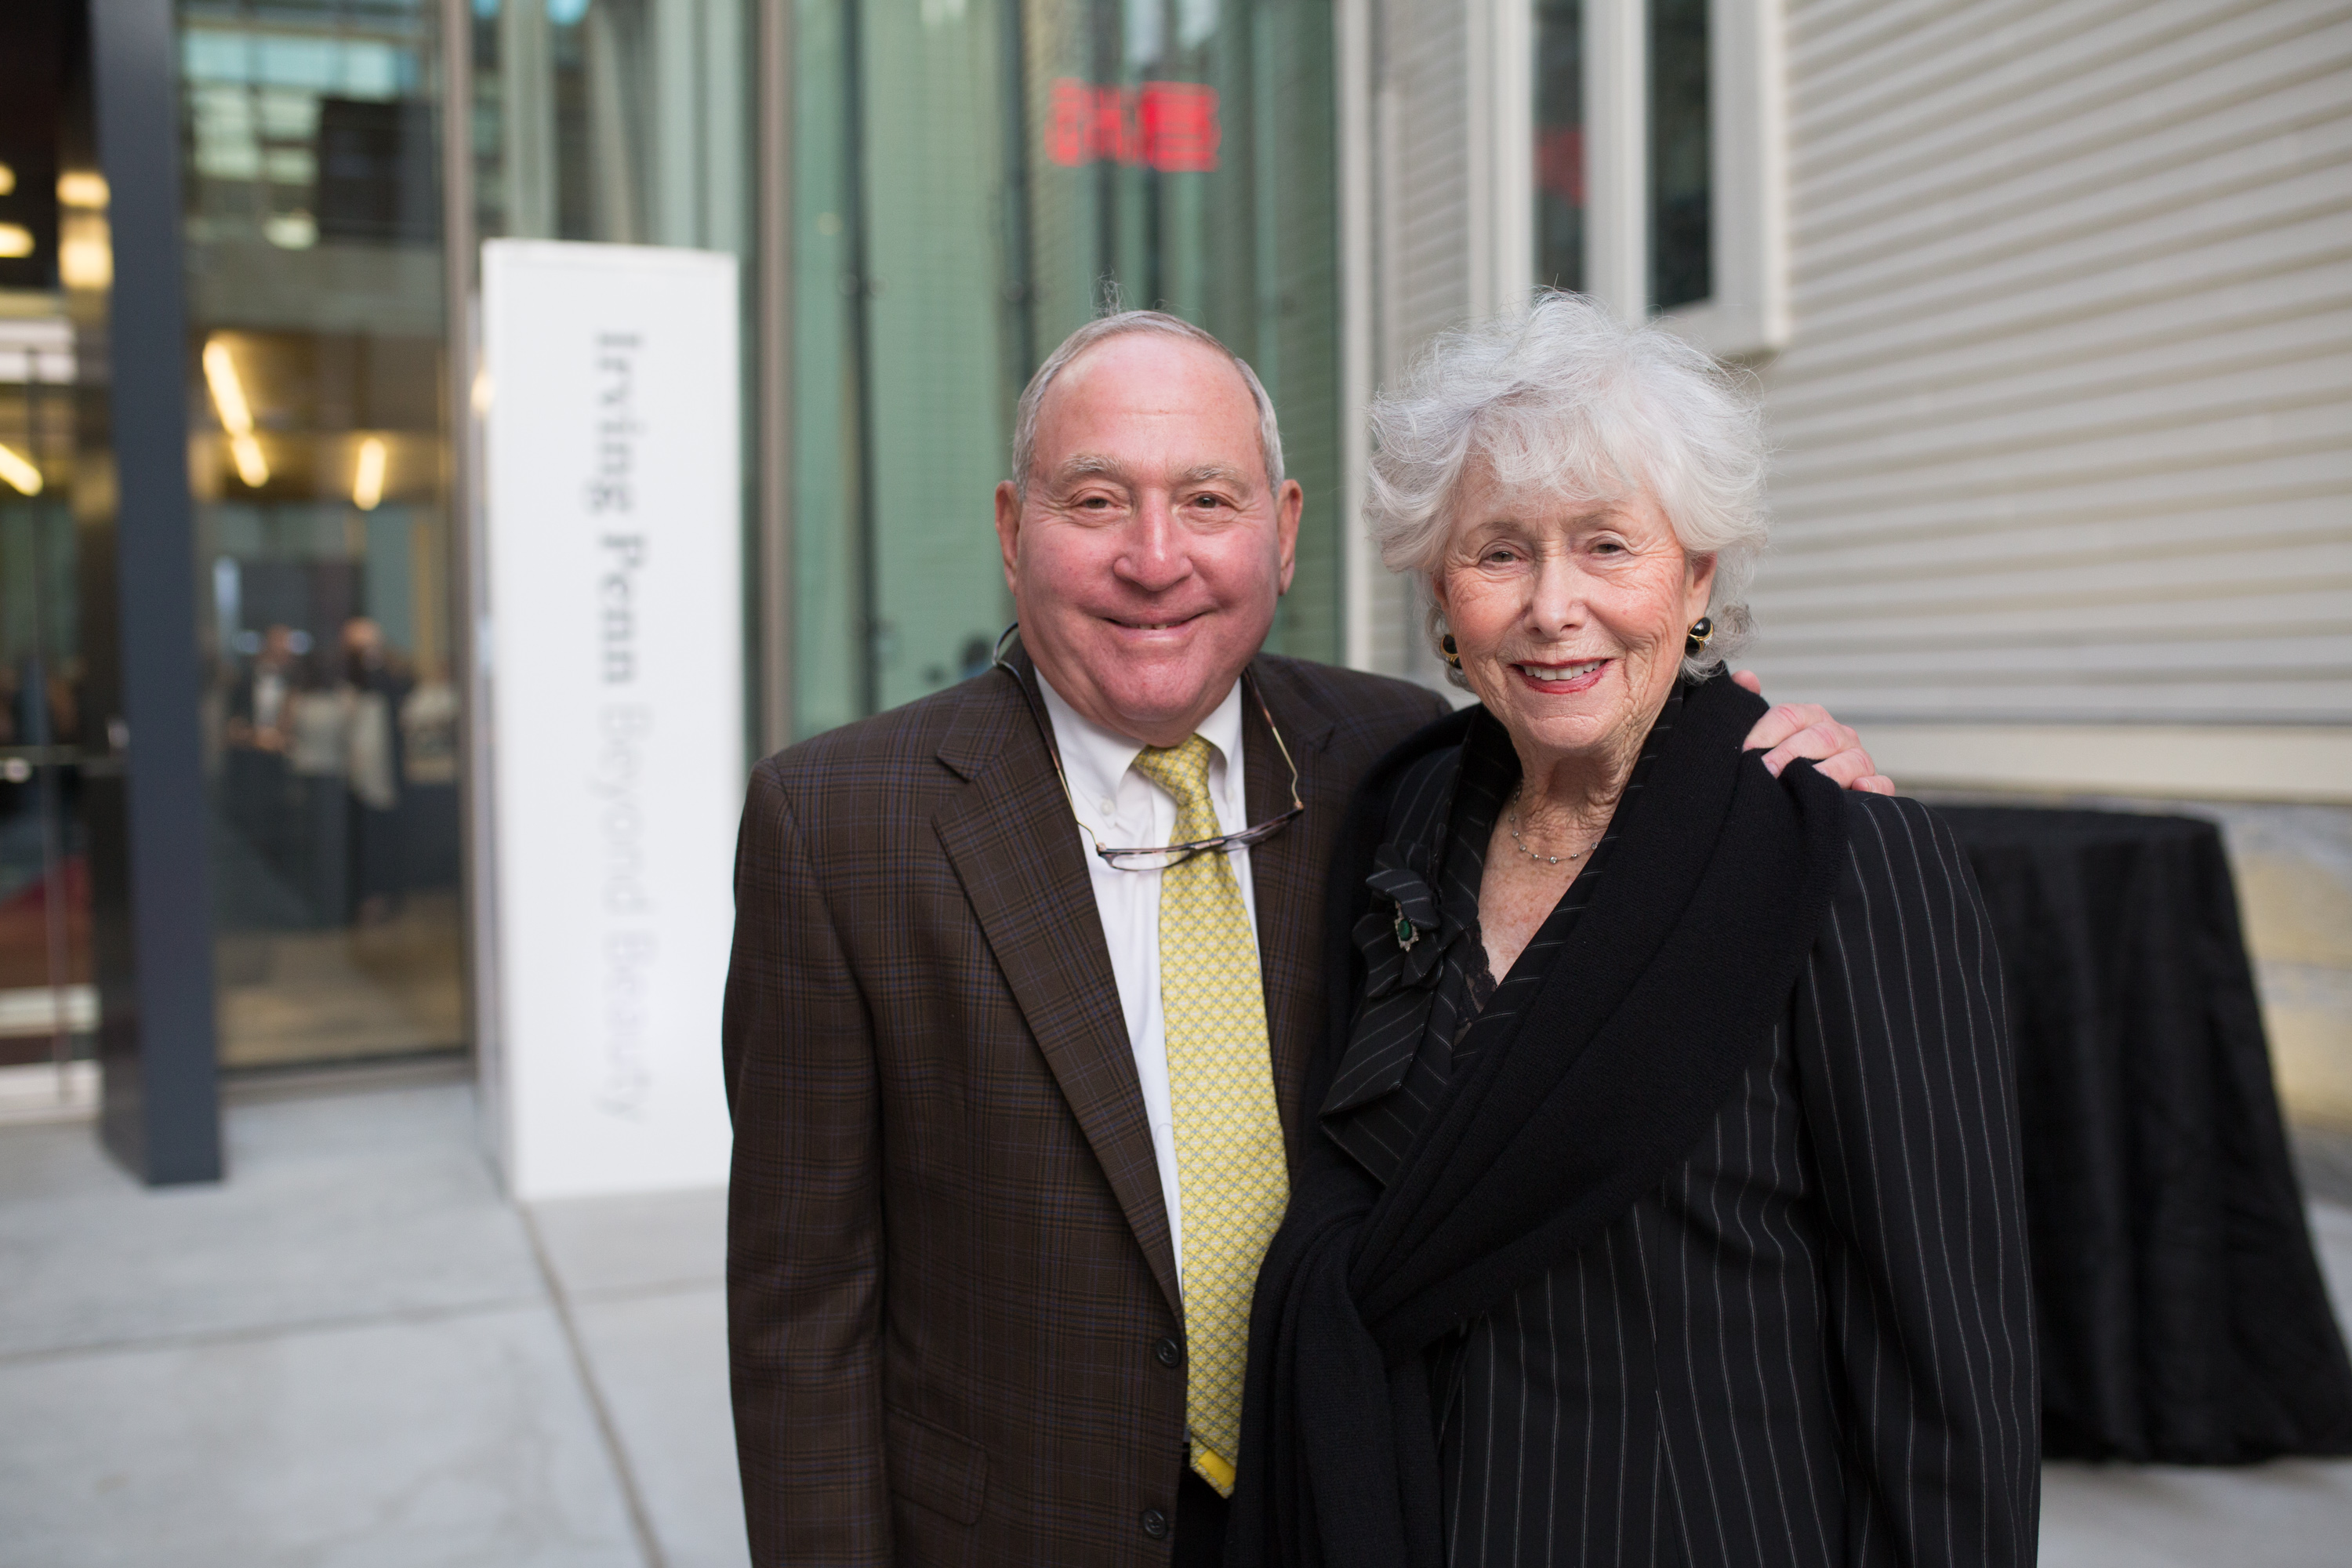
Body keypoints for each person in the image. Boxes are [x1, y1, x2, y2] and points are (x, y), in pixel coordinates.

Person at [723, 310, 1885, 1567]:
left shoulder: (1399, 757)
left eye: (1208, 501)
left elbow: (1608, 746)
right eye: (1098, 500)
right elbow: (805, 1319)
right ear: (1015, 531)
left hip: (1346, 1504)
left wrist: (1775, 777)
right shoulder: (837, 823)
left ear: (1282, 532)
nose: (1156, 559)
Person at [1228, 294, 2038, 1568]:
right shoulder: (1401, 831)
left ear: (1698, 573)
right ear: (1443, 589)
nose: (1555, 607)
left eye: (1609, 546)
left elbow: (1948, 1370)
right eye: (1501, 552)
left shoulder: (1843, 864)